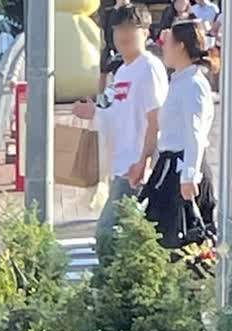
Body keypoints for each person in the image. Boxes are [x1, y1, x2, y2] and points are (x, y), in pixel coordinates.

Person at [73, 4, 168, 247]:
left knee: (107, 234)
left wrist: (145, 161)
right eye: (117, 28)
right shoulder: (123, 71)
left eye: (130, 28)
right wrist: (94, 112)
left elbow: (156, 119)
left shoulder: (149, 67)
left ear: (145, 32)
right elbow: (115, 114)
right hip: (121, 164)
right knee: (130, 238)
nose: (123, 34)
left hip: (136, 166)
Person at [142, 17, 217, 251]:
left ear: (180, 46)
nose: (163, 48)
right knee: (162, 236)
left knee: (182, 238)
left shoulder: (193, 85)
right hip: (171, 165)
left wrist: (189, 176)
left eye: (167, 43)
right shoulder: (180, 81)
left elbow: (195, 132)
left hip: (182, 167)